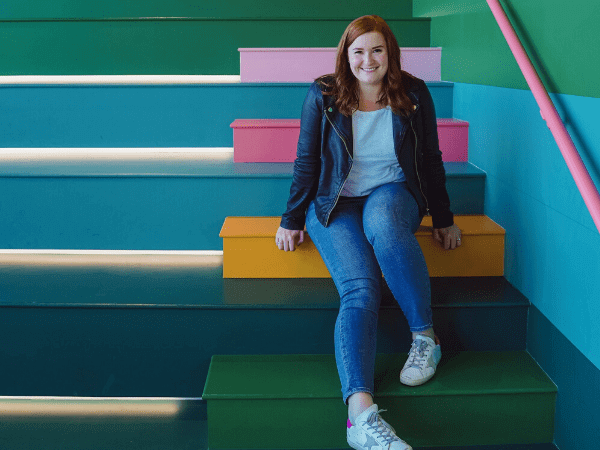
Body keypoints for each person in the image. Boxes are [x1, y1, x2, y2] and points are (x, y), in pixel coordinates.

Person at [275, 15, 462, 450]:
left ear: (390, 53)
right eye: (358, 51)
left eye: (376, 49)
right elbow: (307, 162)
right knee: (359, 288)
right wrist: (292, 218)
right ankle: (360, 417)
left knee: (382, 222)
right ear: (346, 56)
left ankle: (425, 336)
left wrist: (443, 217)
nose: (367, 59)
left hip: (393, 194)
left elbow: (431, 160)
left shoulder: (413, 94)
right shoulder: (322, 95)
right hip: (335, 203)